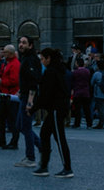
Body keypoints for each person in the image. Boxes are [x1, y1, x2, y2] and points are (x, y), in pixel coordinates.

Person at [30, 48, 74, 177]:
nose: (42, 61)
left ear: (48, 58)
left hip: (56, 108)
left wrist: (33, 108)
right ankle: (44, 166)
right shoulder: (61, 70)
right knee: (45, 133)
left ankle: (67, 167)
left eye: (43, 59)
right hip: (58, 107)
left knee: (59, 138)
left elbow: (45, 94)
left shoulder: (51, 72)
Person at [14, 35, 42, 166]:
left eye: (24, 43)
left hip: (29, 97)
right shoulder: (26, 58)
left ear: (30, 45)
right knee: (20, 126)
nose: (21, 45)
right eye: (20, 42)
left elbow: (33, 82)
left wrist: (30, 101)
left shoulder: (30, 59)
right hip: (24, 95)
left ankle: (30, 158)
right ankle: (42, 147)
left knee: (26, 126)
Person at [0, 45, 20, 148]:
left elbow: (14, 81)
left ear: (10, 53)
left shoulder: (14, 64)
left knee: (11, 120)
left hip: (10, 96)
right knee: (1, 119)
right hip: (5, 95)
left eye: (5, 52)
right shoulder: (7, 63)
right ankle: (1, 140)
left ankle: (13, 142)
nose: (3, 54)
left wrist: (1, 81)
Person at [70, 58, 94, 128]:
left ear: (77, 63)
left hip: (77, 92)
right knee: (87, 109)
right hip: (86, 92)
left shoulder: (75, 72)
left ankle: (77, 123)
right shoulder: (87, 71)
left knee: (77, 109)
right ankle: (89, 123)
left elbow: (72, 81)